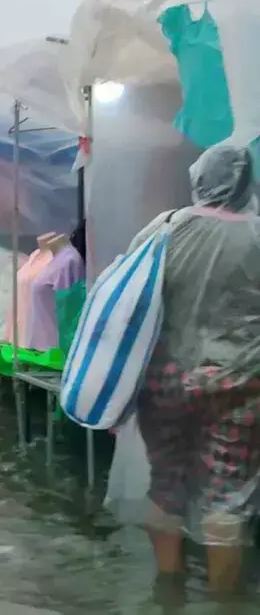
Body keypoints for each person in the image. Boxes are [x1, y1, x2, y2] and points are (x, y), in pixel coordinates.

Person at [130, 143, 260, 597]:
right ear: (248, 182)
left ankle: (168, 593)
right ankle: (227, 606)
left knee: (166, 482)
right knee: (228, 494)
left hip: (164, 382)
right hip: (240, 387)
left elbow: (129, 304)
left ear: (198, 180)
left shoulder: (162, 230)